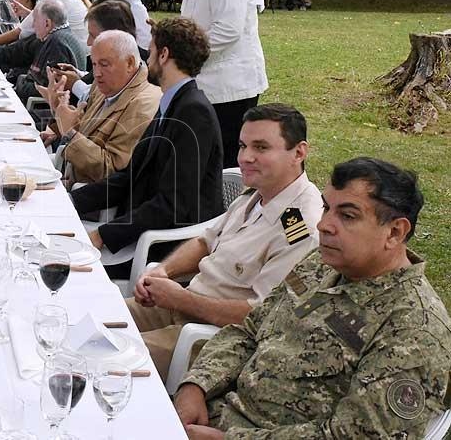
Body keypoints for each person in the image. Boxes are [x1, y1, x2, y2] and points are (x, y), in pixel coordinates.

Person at [175, 157, 451, 439]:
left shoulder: (414, 330)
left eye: (347, 215)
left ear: (394, 232)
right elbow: (251, 329)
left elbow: (361, 436)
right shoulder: (319, 266)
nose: (323, 225)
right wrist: (196, 386)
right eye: (326, 208)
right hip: (215, 415)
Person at [129, 104, 323, 380]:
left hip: (211, 340)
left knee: (107, 363)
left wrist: (182, 299)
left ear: (299, 153)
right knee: (94, 320)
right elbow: (205, 242)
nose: (246, 157)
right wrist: (163, 271)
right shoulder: (257, 194)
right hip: (178, 306)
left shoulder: (299, 226)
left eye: (261, 148)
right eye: (243, 146)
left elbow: (261, 315)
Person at [73, 17, 224, 279]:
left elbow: (173, 205)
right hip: (139, 231)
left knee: (61, 263)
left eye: (151, 50)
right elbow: (131, 175)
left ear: (164, 54)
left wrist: (103, 235)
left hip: (162, 246)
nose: (147, 57)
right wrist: (70, 201)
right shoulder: (173, 102)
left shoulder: (193, 112)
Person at [163, 0, 268, 169]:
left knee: (225, 160)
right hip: (209, 82)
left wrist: (181, 50)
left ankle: (228, 207)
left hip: (230, 86)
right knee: (206, 158)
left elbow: (228, 30)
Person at [52, 29, 160, 186]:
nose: (96, 73)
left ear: (129, 63)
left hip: (89, 200)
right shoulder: (108, 85)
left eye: (104, 64)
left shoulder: (142, 106)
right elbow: (86, 132)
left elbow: (112, 172)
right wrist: (57, 107)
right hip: (70, 179)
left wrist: (70, 133)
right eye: (94, 64)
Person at [13, 0, 88, 101]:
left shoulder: (57, 43)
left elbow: (51, 89)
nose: (32, 25)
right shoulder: (62, 35)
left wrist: (20, 82)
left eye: (35, 20)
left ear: (47, 23)